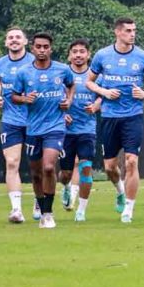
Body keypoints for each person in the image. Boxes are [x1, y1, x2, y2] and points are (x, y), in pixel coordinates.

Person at [87, 17, 144, 223]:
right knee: (110, 167)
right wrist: (105, 92)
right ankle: (119, 190)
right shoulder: (102, 55)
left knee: (131, 161)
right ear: (117, 32)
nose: (132, 34)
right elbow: (89, 82)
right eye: (128, 30)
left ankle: (128, 209)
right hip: (109, 117)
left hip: (133, 117)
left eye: (134, 30)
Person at [12, 33, 74, 229]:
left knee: (49, 167)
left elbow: (71, 85)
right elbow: (14, 96)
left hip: (55, 127)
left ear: (51, 48)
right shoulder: (23, 72)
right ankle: (41, 203)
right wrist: (24, 99)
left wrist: (69, 100)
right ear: (32, 48)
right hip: (32, 129)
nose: (42, 50)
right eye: (38, 46)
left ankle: (48, 213)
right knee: (36, 173)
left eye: (45, 46)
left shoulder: (62, 70)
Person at [0, 26, 38, 223]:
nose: (14, 40)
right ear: (5, 42)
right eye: (10, 37)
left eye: (18, 37)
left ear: (25, 42)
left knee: (37, 166)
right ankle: (16, 210)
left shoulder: (35, 62)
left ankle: (40, 200)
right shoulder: (0, 63)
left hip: (35, 121)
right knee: (12, 163)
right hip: (10, 121)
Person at [60, 39, 101, 222]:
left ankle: (81, 210)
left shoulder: (95, 76)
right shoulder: (62, 74)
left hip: (87, 129)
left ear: (88, 54)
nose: (78, 55)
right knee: (66, 173)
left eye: (82, 51)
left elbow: (103, 96)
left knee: (85, 168)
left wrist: (95, 106)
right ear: (69, 55)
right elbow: (52, 98)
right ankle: (66, 187)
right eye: (74, 51)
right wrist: (61, 115)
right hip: (65, 130)